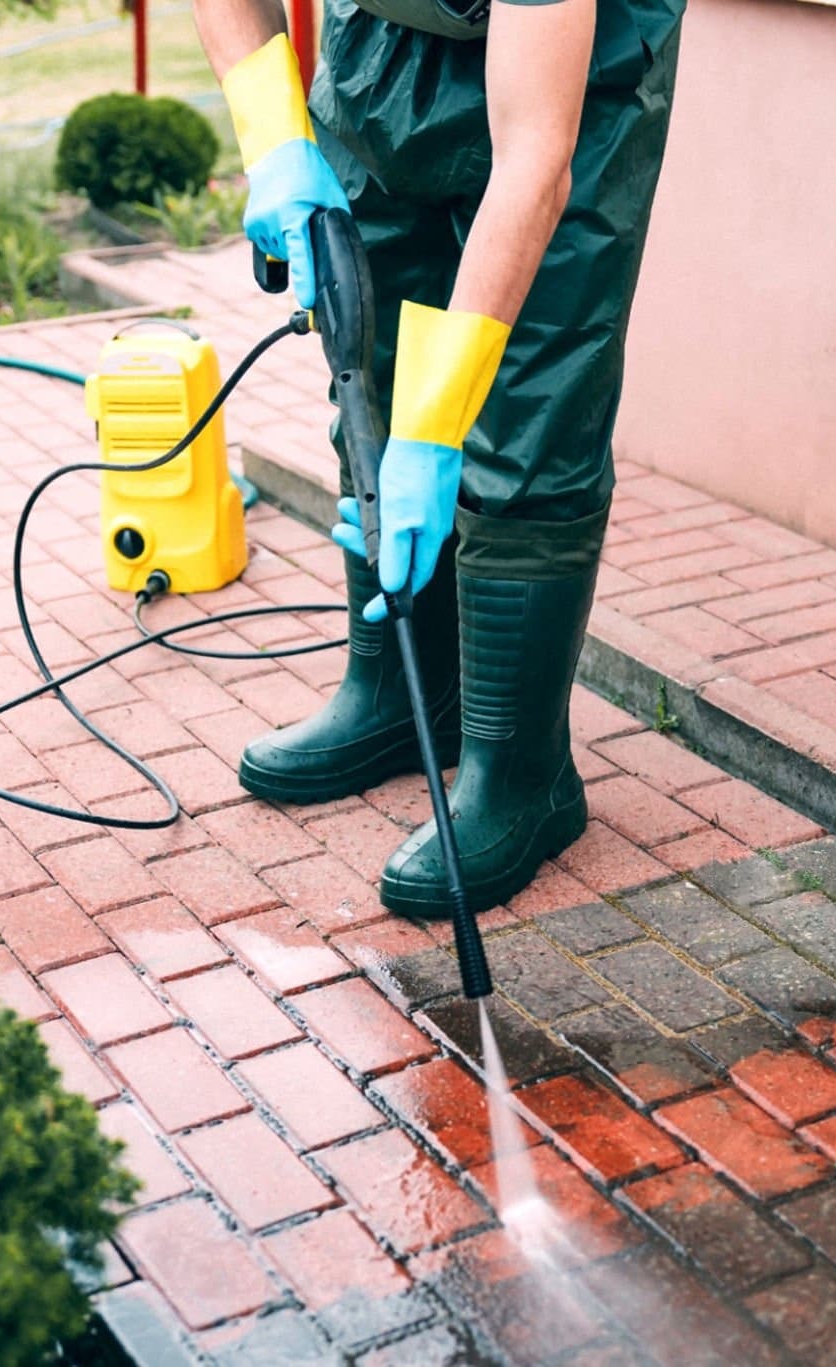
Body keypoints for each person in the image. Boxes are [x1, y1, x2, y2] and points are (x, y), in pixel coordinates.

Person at [198, 0, 684, 918]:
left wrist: (437, 432)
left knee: (533, 392)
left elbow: (537, 159)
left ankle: (521, 769)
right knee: (370, 340)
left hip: (579, 61)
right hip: (386, 34)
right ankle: (393, 689)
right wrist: (271, 138)